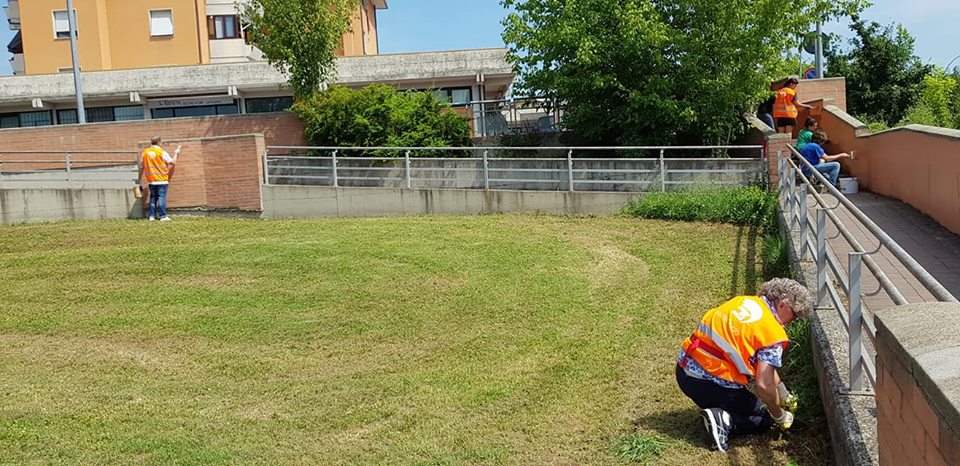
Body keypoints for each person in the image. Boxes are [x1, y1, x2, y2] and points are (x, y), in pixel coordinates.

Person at [675, 278, 813, 452]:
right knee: (762, 417)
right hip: (711, 385)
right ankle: (722, 420)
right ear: (783, 305)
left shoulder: (744, 302)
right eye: (795, 315)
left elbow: (763, 366)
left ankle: (717, 411)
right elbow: (764, 384)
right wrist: (779, 415)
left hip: (684, 370)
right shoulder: (771, 333)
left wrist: (783, 393)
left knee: (755, 405)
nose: (792, 321)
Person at [139, 136, 181, 221]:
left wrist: (139, 178)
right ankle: (163, 216)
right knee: (162, 197)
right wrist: (176, 153)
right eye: (161, 142)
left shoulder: (145, 152)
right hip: (162, 179)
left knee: (153, 198)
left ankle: (151, 216)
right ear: (158, 142)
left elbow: (141, 166)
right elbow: (172, 163)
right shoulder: (162, 152)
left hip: (151, 180)